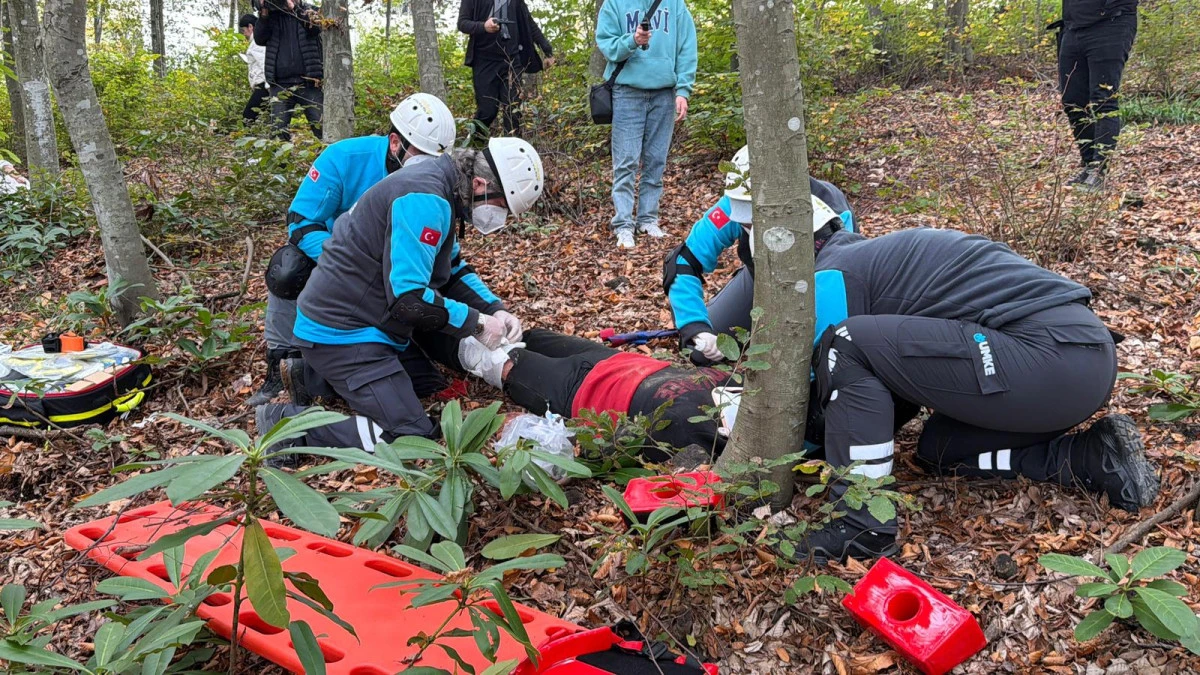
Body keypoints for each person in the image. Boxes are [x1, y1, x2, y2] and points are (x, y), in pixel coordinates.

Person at [707, 208, 1158, 563]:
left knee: (844, 343)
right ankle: (1090, 457)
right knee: (939, 450)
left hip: (1047, 355)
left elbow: (830, 381)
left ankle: (860, 524)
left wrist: (769, 444)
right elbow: (889, 387)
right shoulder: (880, 263)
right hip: (1071, 372)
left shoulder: (835, 272)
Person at [256, 137, 545, 449]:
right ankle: (286, 424)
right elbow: (409, 300)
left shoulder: (439, 187)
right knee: (412, 435)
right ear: (478, 183)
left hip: (372, 325)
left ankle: (320, 378)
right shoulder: (424, 198)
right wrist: (476, 324)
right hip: (343, 334)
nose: (498, 216)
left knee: (431, 386)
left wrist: (495, 307)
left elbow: (454, 271)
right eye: (500, 204)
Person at [248, 93, 457, 406]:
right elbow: (301, 222)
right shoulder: (344, 157)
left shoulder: (434, 184)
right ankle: (281, 361)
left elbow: (444, 249)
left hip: (395, 269)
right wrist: (348, 260)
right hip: (335, 258)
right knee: (287, 268)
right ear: (395, 143)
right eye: (419, 153)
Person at [663, 145, 855, 363]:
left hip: (815, 287)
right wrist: (696, 328)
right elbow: (684, 262)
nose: (747, 224)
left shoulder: (833, 215)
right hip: (758, 280)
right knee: (702, 354)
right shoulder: (732, 204)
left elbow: (844, 286)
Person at [595, 0, 697, 249]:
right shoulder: (614, 4)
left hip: (665, 92)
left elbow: (687, 47)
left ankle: (648, 219)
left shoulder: (675, 4)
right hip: (627, 91)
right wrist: (632, 41)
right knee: (626, 161)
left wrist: (683, 90)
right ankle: (623, 224)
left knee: (656, 160)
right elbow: (607, 45)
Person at [1056, 0, 1138, 192]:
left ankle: (1098, 171)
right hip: (1073, 27)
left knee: (1104, 100)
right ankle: (1088, 165)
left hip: (1112, 23)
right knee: (1072, 101)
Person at [457, 0, 554, 142]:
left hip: (511, 60)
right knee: (487, 111)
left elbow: (529, 23)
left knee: (513, 111)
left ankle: (512, 154)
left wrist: (547, 50)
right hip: (484, 61)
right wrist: (483, 26)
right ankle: (471, 151)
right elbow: (462, 23)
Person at [254, 0, 323, 141]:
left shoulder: (310, 11)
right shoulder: (271, 17)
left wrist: (294, 8)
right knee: (278, 134)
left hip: (310, 83)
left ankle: (327, 162)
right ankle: (281, 164)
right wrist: (264, 13)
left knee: (321, 127)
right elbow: (259, 39)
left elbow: (315, 28)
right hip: (280, 85)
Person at [237, 14, 269, 127]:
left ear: (250, 27)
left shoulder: (257, 42)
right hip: (264, 85)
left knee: (248, 117)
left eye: (244, 30)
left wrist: (269, 85)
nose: (244, 33)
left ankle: (248, 142)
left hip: (263, 86)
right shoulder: (258, 41)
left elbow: (264, 63)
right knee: (268, 118)